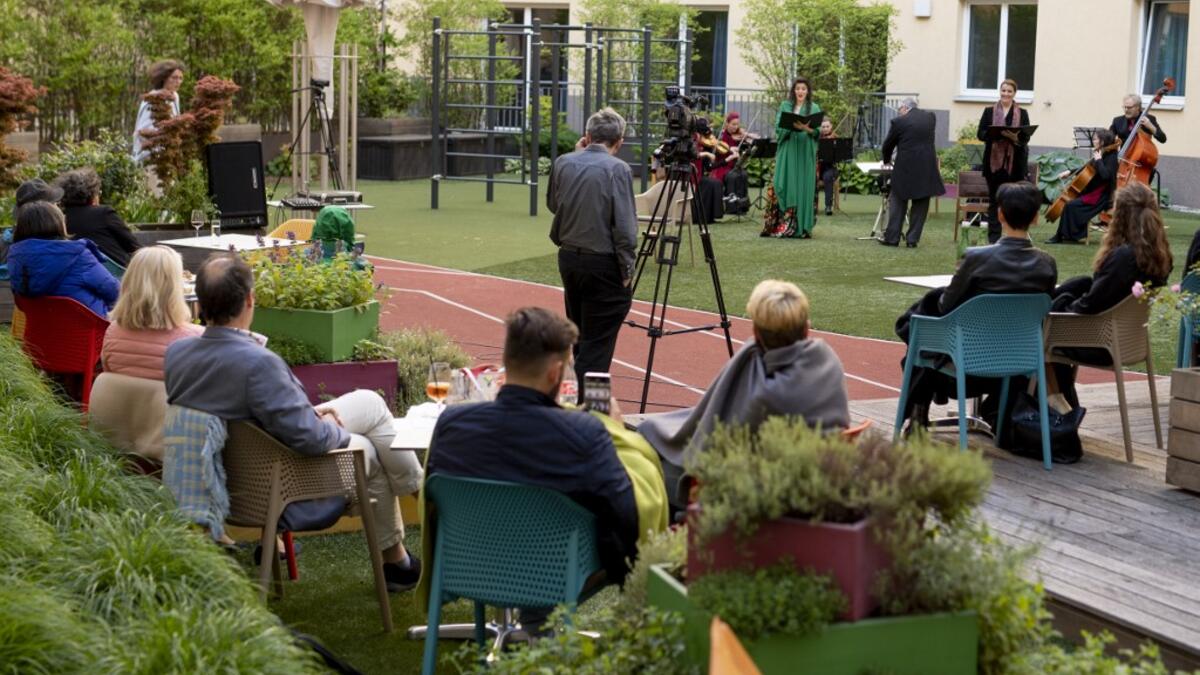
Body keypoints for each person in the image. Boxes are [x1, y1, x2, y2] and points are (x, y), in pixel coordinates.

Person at [164, 254, 424, 592]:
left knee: (371, 403)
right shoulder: (258, 364)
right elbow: (311, 440)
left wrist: (310, 415)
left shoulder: (177, 355)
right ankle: (408, 535)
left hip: (240, 468)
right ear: (249, 301)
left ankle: (411, 510)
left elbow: (244, 413)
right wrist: (333, 427)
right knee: (370, 451)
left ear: (199, 306)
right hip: (282, 479)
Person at [423, 307, 641, 627]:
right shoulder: (584, 433)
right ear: (555, 373)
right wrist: (616, 431)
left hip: (468, 566)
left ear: (506, 362)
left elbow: (434, 504)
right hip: (551, 575)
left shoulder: (451, 424)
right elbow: (624, 515)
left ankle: (531, 627)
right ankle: (537, 627)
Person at [639, 280, 850, 508]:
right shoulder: (828, 361)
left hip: (757, 498)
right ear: (807, 329)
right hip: (816, 488)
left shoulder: (764, 392)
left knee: (650, 470)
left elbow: (716, 444)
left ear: (756, 333)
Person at [895, 182, 1057, 432]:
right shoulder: (1047, 265)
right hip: (1020, 364)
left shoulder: (977, 258)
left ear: (1000, 214)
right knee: (922, 321)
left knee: (919, 324)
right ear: (1035, 218)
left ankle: (918, 408)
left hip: (966, 365)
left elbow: (945, 305)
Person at [1049, 182, 1173, 405]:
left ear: (1120, 215)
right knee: (1078, 285)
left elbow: (1089, 306)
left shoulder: (1124, 259)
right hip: (1128, 341)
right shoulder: (1160, 257)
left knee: (1040, 331)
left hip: (1100, 342)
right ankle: (1058, 403)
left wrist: (1061, 304)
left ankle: (1056, 406)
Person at [547, 107, 637, 387]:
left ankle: (577, 402)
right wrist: (627, 268)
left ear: (587, 136)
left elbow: (553, 204)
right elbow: (624, 228)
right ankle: (583, 408)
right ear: (619, 141)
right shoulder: (618, 169)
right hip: (603, 263)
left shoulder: (564, 162)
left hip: (570, 259)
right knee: (596, 346)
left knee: (582, 336)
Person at [102, 246, 202, 380]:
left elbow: (110, 378)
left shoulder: (112, 333)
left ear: (128, 282)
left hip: (127, 400)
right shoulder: (195, 338)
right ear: (174, 287)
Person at [7, 201, 119, 318]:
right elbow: (114, 291)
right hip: (88, 330)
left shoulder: (15, 259)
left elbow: (21, 303)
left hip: (40, 332)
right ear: (57, 223)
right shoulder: (78, 255)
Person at [880, 97, 945, 248]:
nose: (899, 113)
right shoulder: (930, 118)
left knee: (898, 200)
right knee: (921, 204)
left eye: (899, 110)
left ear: (904, 108)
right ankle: (912, 240)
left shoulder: (899, 122)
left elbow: (887, 145)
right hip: (926, 167)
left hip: (905, 167)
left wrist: (886, 160)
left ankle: (892, 238)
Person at [763, 77, 820, 239]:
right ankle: (783, 224)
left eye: (803, 89)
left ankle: (802, 227)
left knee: (803, 185)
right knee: (782, 183)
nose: (800, 91)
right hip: (788, 150)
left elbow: (817, 132)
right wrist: (791, 126)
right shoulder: (785, 106)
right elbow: (778, 128)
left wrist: (807, 129)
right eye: (797, 89)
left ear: (807, 91)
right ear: (793, 91)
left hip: (804, 152)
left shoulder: (814, 107)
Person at [978, 79, 1031, 243]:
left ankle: (1012, 237)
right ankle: (993, 239)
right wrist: (994, 134)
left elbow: (1026, 137)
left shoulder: (1022, 113)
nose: (1006, 94)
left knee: (1013, 201)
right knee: (994, 201)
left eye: (1009, 91)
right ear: (1000, 91)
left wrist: (1015, 138)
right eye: (1003, 90)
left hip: (1015, 164)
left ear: (1014, 93)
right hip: (994, 165)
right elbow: (980, 134)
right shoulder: (988, 111)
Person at [56, 168, 141, 267]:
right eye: (98, 193)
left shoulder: (59, 218)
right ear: (91, 194)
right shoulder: (103, 214)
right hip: (117, 276)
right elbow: (133, 246)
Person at [1047, 129, 1119, 244]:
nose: (1093, 141)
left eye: (1095, 139)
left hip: (1100, 196)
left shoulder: (1111, 157)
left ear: (1103, 141)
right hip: (1092, 191)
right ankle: (1065, 235)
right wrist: (1069, 172)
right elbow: (1086, 167)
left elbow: (1106, 176)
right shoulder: (1100, 152)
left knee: (1070, 205)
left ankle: (1061, 236)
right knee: (1069, 203)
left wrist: (1099, 161)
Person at [133, 60, 184, 165]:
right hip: (149, 158)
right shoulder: (153, 99)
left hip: (168, 156)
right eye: (174, 78)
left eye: (180, 78)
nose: (178, 81)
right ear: (163, 78)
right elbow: (142, 131)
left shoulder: (175, 96)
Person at [691, 118, 725, 223]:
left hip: (699, 175)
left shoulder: (703, 142)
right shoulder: (693, 139)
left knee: (716, 183)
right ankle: (700, 217)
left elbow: (708, 167)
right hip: (691, 175)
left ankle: (710, 216)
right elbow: (692, 154)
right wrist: (706, 154)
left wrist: (712, 153)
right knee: (711, 184)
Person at [717, 112, 751, 215]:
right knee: (732, 176)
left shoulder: (737, 135)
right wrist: (729, 150)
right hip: (723, 165)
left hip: (735, 165)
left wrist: (746, 138)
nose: (735, 127)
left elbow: (750, 141)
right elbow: (720, 151)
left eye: (737, 124)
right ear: (727, 124)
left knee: (743, 174)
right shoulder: (722, 136)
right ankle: (732, 207)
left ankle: (743, 205)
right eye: (733, 124)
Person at [816, 119, 839, 216]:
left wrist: (831, 144)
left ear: (831, 127)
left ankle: (828, 206)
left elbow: (839, 156)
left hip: (831, 167)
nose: (825, 129)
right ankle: (812, 205)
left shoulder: (835, 139)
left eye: (827, 126)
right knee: (811, 177)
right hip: (818, 167)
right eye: (823, 127)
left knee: (827, 177)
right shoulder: (817, 138)